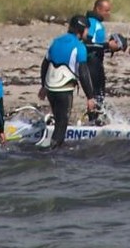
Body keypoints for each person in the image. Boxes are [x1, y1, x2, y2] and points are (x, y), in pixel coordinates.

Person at [39, 15, 97, 148]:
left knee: (59, 119)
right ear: (80, 30)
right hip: (63, 90)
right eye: (87, 30)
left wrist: (43, 86)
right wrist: (90, 97)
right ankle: (52, 154)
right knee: (62, 123)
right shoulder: (79, 46)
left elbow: (44, 65)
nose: (87, 33)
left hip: (51, 89)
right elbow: (83, 73)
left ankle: (58, 147)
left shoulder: (56, 41)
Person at [83, 0, 126, 123]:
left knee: (100, 94)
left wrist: (113, 48)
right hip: (91, 63)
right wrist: (108, 45)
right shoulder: (91, 23)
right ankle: (93, 121)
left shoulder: (97, 24)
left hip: (96, 61)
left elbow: (97, 46)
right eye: (106, 11)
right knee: (97, 93)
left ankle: (96, 119)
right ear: (98, 9)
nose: (108, 14)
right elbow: (87, 45)